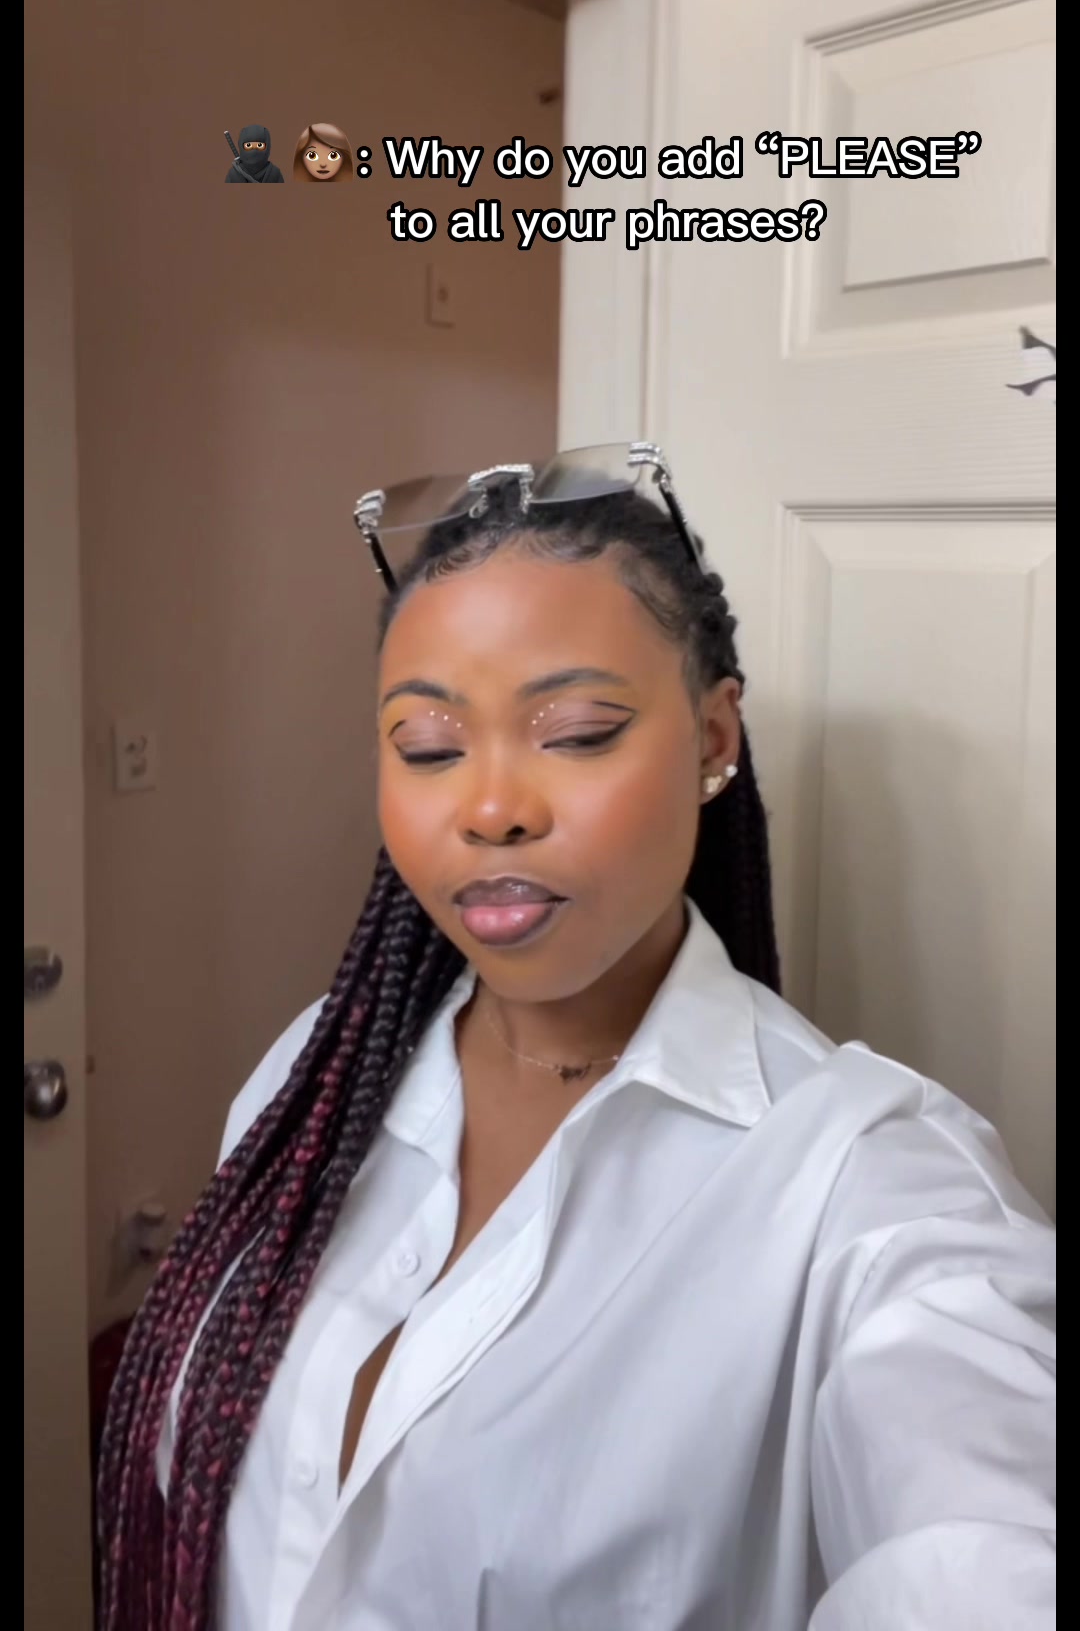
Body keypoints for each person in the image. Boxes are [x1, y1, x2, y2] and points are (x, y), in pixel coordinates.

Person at [97, 448, 1056, 1631]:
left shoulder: (872, 1195)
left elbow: (979, 1540)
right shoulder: (309, 1082)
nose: (491, 807)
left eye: (578, 731)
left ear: (713, 740)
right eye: (428, 745)